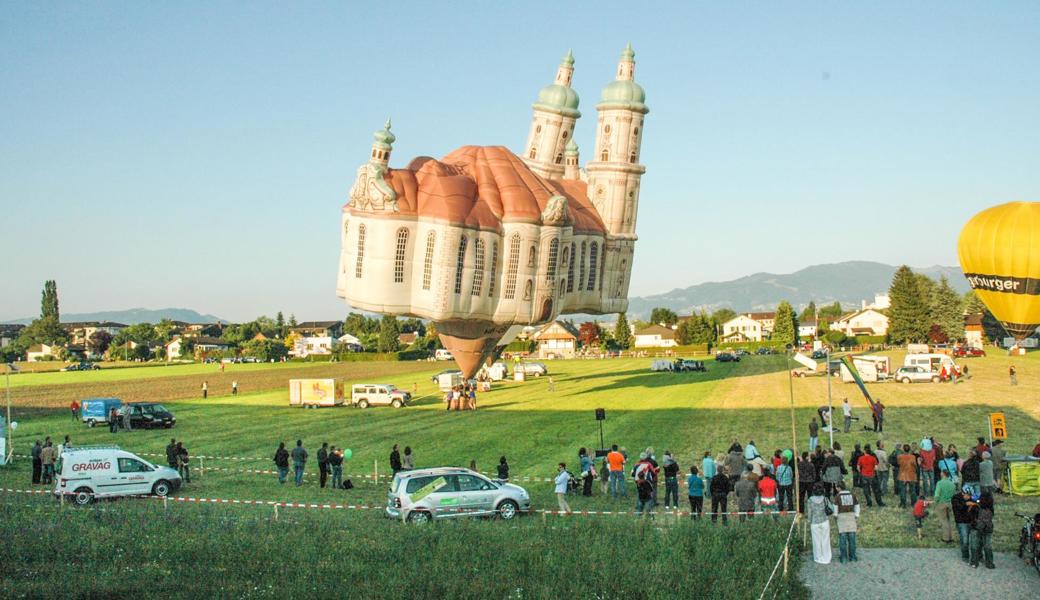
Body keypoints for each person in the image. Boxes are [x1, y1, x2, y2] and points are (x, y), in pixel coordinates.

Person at [807, 483, 834, 564]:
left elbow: (809, 512)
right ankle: (827, 557)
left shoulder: (810, 500)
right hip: (824, 521)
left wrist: (809, 521)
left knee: (816, 541)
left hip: (814, 522)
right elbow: (831, 508)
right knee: (825, 539)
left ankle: (818, 557)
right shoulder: (825, 499)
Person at [833, 482, 860, 563]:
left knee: (843, 538)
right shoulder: (852, 495)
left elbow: (835, 508)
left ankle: (844, 557)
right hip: (851, 516)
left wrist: (835, 516)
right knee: (852, 538)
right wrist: (856, 515)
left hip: (841, 517)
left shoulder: (837, 497)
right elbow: (857, 505)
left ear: (838, 488)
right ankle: (853, 556)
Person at [970, 491, 995, 569]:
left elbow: (971, 516)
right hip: (988, 528)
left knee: (975, 545)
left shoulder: (976, 507)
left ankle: (974, 562)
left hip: (976, 528)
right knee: (987, 546)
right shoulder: (991, 508)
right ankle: (989, 563)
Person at [952, 485, 976, 562]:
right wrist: (966, 505)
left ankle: (977, 555)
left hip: (971, 521)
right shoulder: (955, 498)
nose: (969, 497)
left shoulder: (971, 499)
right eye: (968, 495)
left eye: (970, 495)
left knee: (975, 541)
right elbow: (959, 508)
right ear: (963, 493)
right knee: (965, 540)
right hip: (961, 522)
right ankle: (965, 556)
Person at [934, 469, 956, 543]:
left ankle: (946, 538)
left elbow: (937, 495)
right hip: (950, 503)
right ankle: (952, 537)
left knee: (944, 521)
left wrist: (935, 503)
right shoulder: (952, 484)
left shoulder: (940, 483)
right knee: (950, 520)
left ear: (943, 474)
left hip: (941, 503)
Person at [633, 453, 657, 517]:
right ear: (646, 458)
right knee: (649, 500)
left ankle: (639, 515)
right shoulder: (649, 464)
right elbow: (654, 473)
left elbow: (632, 474)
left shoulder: (636, 465)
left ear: (640, 458)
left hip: (639, 484)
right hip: (647, 484)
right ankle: (650, 516)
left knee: (640, 499)